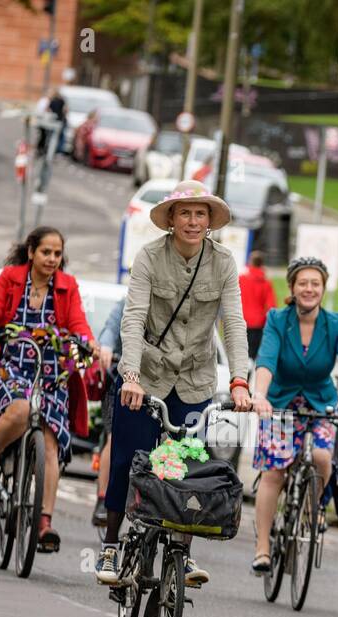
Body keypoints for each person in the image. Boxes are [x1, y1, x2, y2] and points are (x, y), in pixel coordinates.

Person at [94, 179, 252, 588]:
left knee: (184, 469)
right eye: (186, 213)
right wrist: (129, 376)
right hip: (145, 376)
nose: (193, 221)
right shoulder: (149, 257)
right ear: (171, 219)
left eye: (201, 214)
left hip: (195, 379)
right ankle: (111, 544)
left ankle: (180, 554)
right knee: (131, 460)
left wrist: (239, 380)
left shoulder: (223, 262)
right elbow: (132, 320)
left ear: (210, 221)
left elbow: (233, 322)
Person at [0, 226, 94, 554]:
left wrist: (88, 343)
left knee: (52, 443)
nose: (52, 259)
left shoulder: (67, 286)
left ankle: (44, 523)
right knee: (22, 408)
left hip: (52, 370)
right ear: (31, 252)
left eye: (57, 254)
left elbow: (78, 323)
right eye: (46, 252)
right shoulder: (11, 277)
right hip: (8, 363)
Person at [250, 256, 338, 573]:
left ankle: (314, 509)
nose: (309, 289)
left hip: (319, 406)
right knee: (275, 471)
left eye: (315, 283)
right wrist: (259, 395)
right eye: (302, 283)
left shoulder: (335, 325)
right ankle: (263, 546)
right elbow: (265, 361)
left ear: (323, 287)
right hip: (279, 404)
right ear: (292, 287)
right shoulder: (278, 319)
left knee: (321, 456)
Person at [92, 296, 125, 527]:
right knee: (116, 437)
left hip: (155, 383)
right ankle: (103, 499)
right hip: (120, 382)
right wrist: (106, 347)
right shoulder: (125, 303)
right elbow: (110, 329)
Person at [238, 249, 276, 360]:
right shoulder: (266, 283)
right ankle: (248, 376)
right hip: (258, 323)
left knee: (239, 354)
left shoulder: (241, 279)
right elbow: (271, 305)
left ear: (250, 262)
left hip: (241, 320)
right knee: (252, 355)